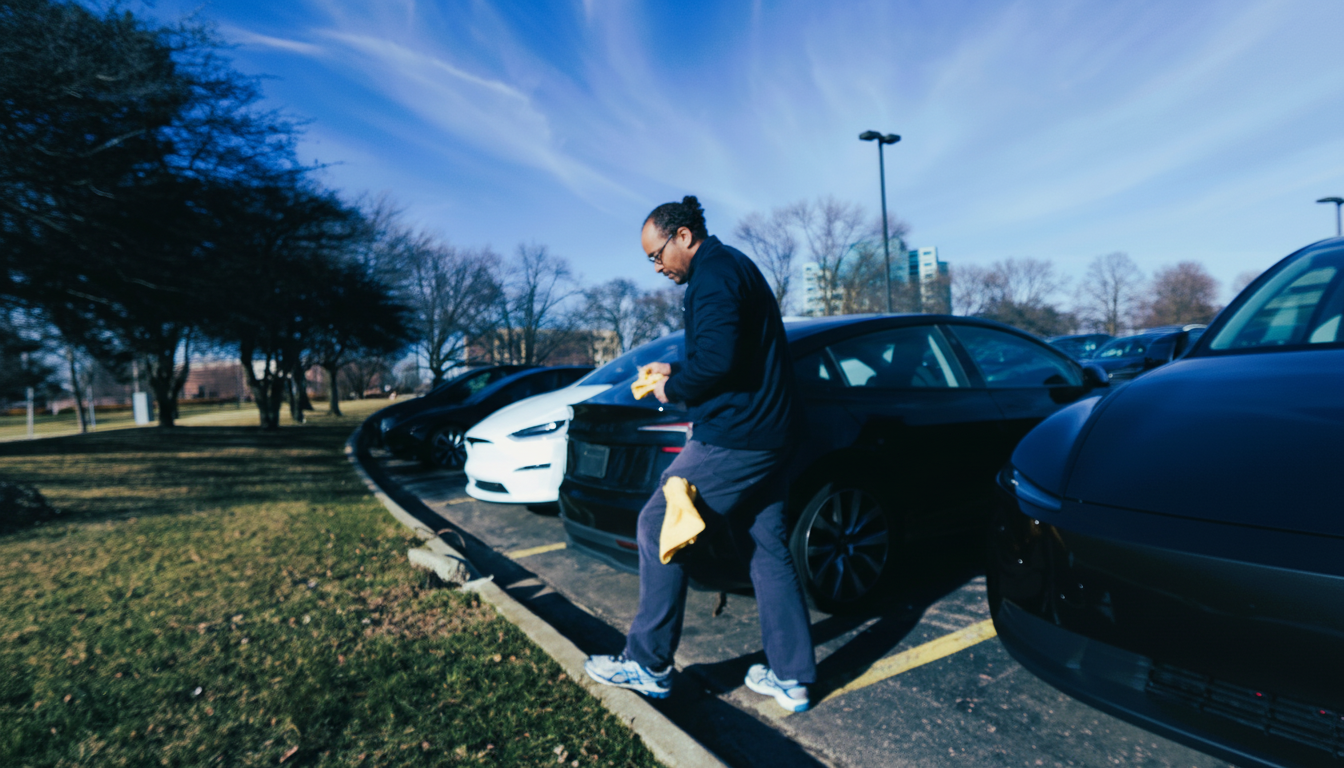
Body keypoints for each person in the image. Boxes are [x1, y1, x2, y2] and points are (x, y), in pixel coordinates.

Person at [583, 196, 817, 713]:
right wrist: (672, 371)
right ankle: (792, 676)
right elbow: (731, 356)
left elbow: (715, 363)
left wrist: (675, 389)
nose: (658, 267)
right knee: (765, 548)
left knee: (657, 526)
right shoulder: (733, 266)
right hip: (772, 433)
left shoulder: (712, 275)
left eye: (656, 255)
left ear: (683, 236)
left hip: (737, 436)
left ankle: (647, 664)